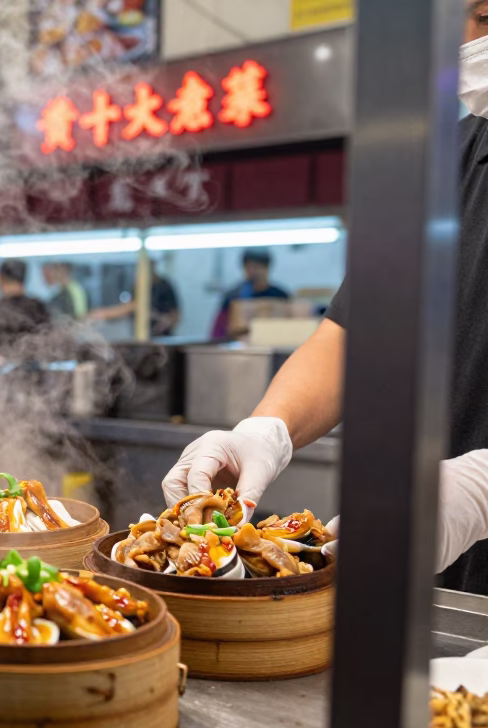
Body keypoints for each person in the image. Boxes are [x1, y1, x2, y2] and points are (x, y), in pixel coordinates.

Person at [161, 6, 488, 593]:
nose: (467, 40)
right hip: (438, 591)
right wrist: (265, 430)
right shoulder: (444, 163)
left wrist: (480, 487)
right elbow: (353, 335)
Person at [210, 249, 289, 339]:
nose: (254, 272)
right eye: (249, 267)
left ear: (267, 268)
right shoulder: (233, 296)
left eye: (258, 267)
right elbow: (218, 331)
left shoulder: (280, 296)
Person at [87, 271, 182, 337]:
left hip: (162, 338)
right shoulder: (138, 285)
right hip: (142, 336)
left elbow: (175, 315)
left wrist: (165, 323)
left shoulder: (164, 286)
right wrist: (103, 314)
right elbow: (130, 306)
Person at [0, 260, 51, 351]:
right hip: (33, 361)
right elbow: (47, 336)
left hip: (1, 361)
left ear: (1, 278)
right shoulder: (38, 306)